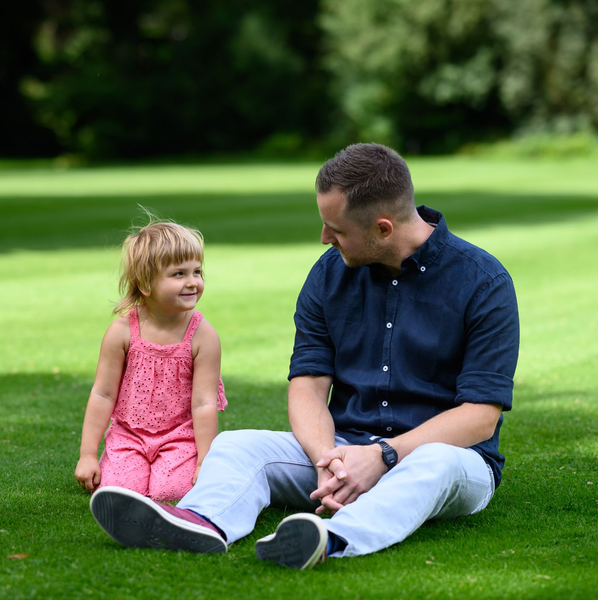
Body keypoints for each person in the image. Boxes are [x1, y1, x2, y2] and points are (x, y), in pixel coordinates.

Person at [88, 143, 519, 569]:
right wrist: (325, 458)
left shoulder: (483, 282)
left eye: (336, 228)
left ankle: (331, 537)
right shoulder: (328, 273)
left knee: (435, 461)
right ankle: (201, 522)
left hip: (449, 460)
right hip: (342, 450)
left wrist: (383, 455)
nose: (324, 237)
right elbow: (308, 386)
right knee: (237, 445)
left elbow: (480, 415)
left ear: (383, 229)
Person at [74, 220, 227, 503]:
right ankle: (124, 467)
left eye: (197, 272)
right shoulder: (122, 331)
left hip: (181, 438)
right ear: (145, 284)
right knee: (121, 493)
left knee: (171, 492)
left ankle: (170, 473)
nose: (193, 282)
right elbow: (103, 393)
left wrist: (205, 462)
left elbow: (204, 403)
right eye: (179, 274)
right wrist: (87, 455)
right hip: (128, 436)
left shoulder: (203, 336)